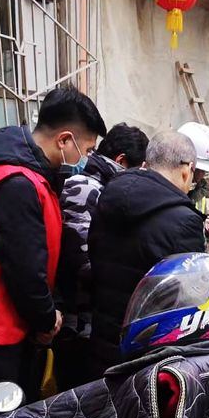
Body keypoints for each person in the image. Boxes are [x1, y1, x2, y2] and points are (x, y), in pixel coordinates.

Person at [0, 86, 106, 418]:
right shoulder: (16, 183)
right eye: (87, 149)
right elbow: (25, 269)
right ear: (64, 140)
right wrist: (45, 320)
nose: (86, 159)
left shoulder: (25, 176)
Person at [87, 130, 206, 377]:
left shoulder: (109, 193)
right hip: (147, 349)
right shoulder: (184, 220)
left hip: (102, 334)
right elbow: (187, 296)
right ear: (187, 169)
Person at [54, 123, 149, 390]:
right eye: (137, 169)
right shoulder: (85, 187)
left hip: (90, 318)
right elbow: (81, 259)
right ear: (121, 160)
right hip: (76, 319)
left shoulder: (103, 186)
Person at [177, 121, 209, 214]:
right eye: (198, 170)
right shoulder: (162, 195)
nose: (201, 175)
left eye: (204, 170)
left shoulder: (199, 191)